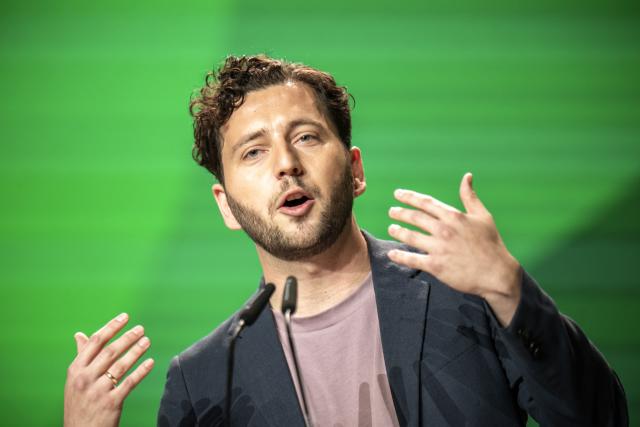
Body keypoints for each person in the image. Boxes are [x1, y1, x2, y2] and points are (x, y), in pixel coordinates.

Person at [64, 55, 628, 426]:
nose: (286, 163)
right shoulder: (205, 380)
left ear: (355, 170)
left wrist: (509, 290)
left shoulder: (466, 294)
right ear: (225, 206)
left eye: (306, 137)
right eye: (253, 152)